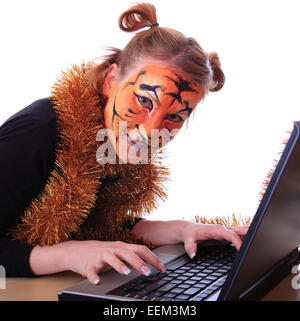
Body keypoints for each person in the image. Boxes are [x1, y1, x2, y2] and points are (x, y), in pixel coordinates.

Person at [0, 2, 248, 286]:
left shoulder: (112, 144)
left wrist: (182, 229)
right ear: (110, 80)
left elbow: (98, 224)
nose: (151, 131)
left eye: (175, 116)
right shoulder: (39, 132)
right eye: (144, 100)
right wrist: (67, 255)